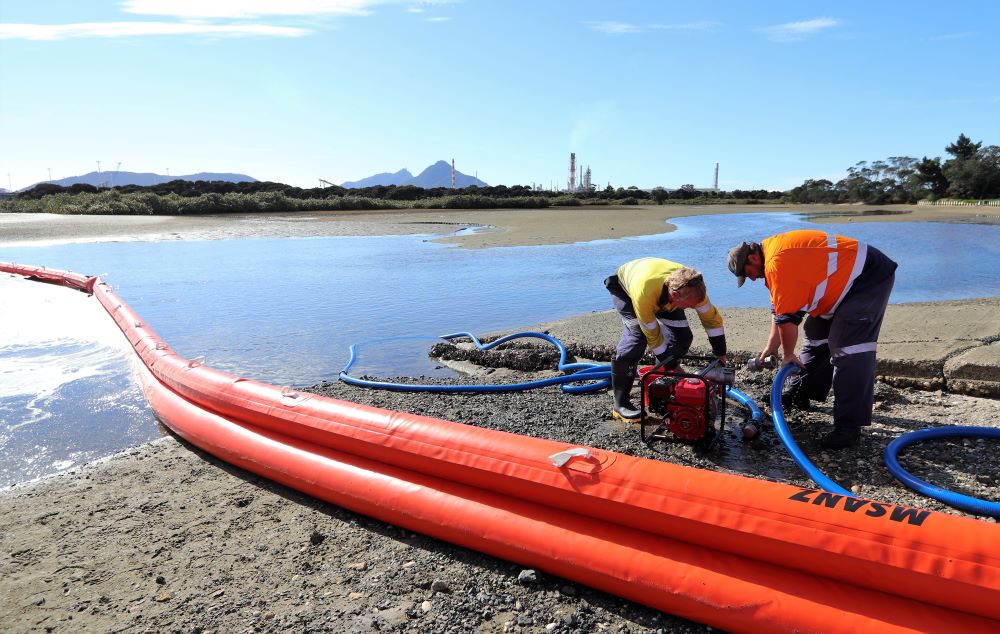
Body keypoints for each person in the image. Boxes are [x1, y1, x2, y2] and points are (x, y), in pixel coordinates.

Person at [727, 229, 897, 449]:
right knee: (816, 333)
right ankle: (801, 391)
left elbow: (787, 321)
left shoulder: (777, 261)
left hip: (866, 278)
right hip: (839, 286)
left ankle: (849, 426)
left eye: (747, 273)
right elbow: (780, 311)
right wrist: (772, 346)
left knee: (849, 348)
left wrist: (788, 355)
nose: (750, 278)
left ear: (752, 258)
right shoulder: (771, 257)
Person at [604, 257, 728, 423]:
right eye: (689, 306)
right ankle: (620, 405)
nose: (691, 309)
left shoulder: (693, 286)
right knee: (637, 339)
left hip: (662, 291)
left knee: (682, 338)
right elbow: (654, 337)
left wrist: (721, 356)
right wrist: (676, 369)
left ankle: (659, 387)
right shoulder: (644, 295)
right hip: (626, 288)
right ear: (675, 295)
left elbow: (711, 320)